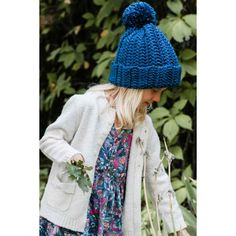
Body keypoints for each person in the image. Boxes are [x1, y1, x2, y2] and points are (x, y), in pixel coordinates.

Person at [39, 2, 190, 236]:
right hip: (68, 220)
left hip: (111, 221)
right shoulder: (87, 105)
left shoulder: (143, 126)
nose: (158, 99)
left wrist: (177, 226)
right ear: (134, 86)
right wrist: (72, 155)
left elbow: (156, 176)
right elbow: (49, 139)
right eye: (154, 90)